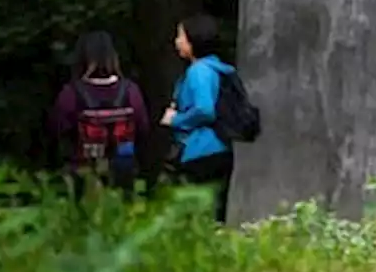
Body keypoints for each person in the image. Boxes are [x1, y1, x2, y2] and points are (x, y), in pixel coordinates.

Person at [48, 31, 150, 201]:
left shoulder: (72, 93)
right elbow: (143, 128)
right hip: (123, 167)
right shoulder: (130, 91)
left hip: (83, 168)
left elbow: (57, 129)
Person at [161, 14, 236, 223]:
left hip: (199, 151)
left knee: (194, 218)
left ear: (195, 40)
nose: (177, 42)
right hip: (220, 148)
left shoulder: (199, 71)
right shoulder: (218, 69)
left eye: (181, 36)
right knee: (215, 215)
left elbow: (205, 110)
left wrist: (175, 119)